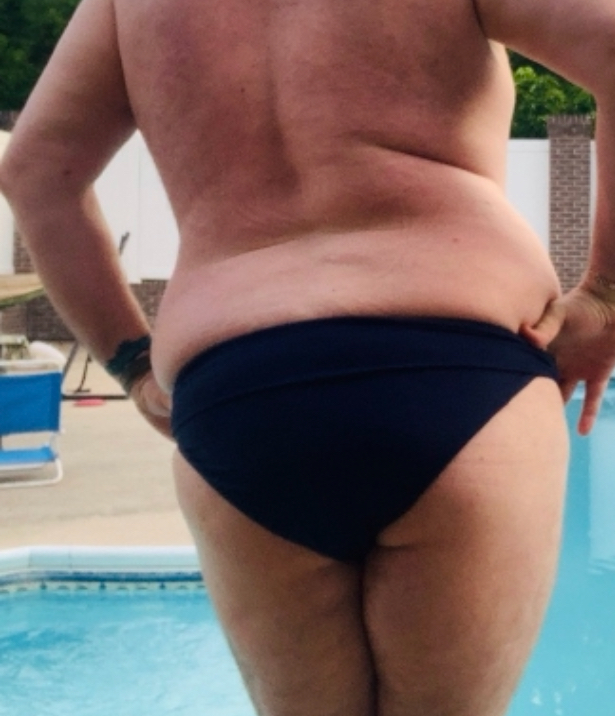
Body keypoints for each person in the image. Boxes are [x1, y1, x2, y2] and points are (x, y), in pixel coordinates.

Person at [1, 0, 615, 713]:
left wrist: (133, 363)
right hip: (459, 363)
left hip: (242, 389)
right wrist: (604, 294)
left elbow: (36, 173)